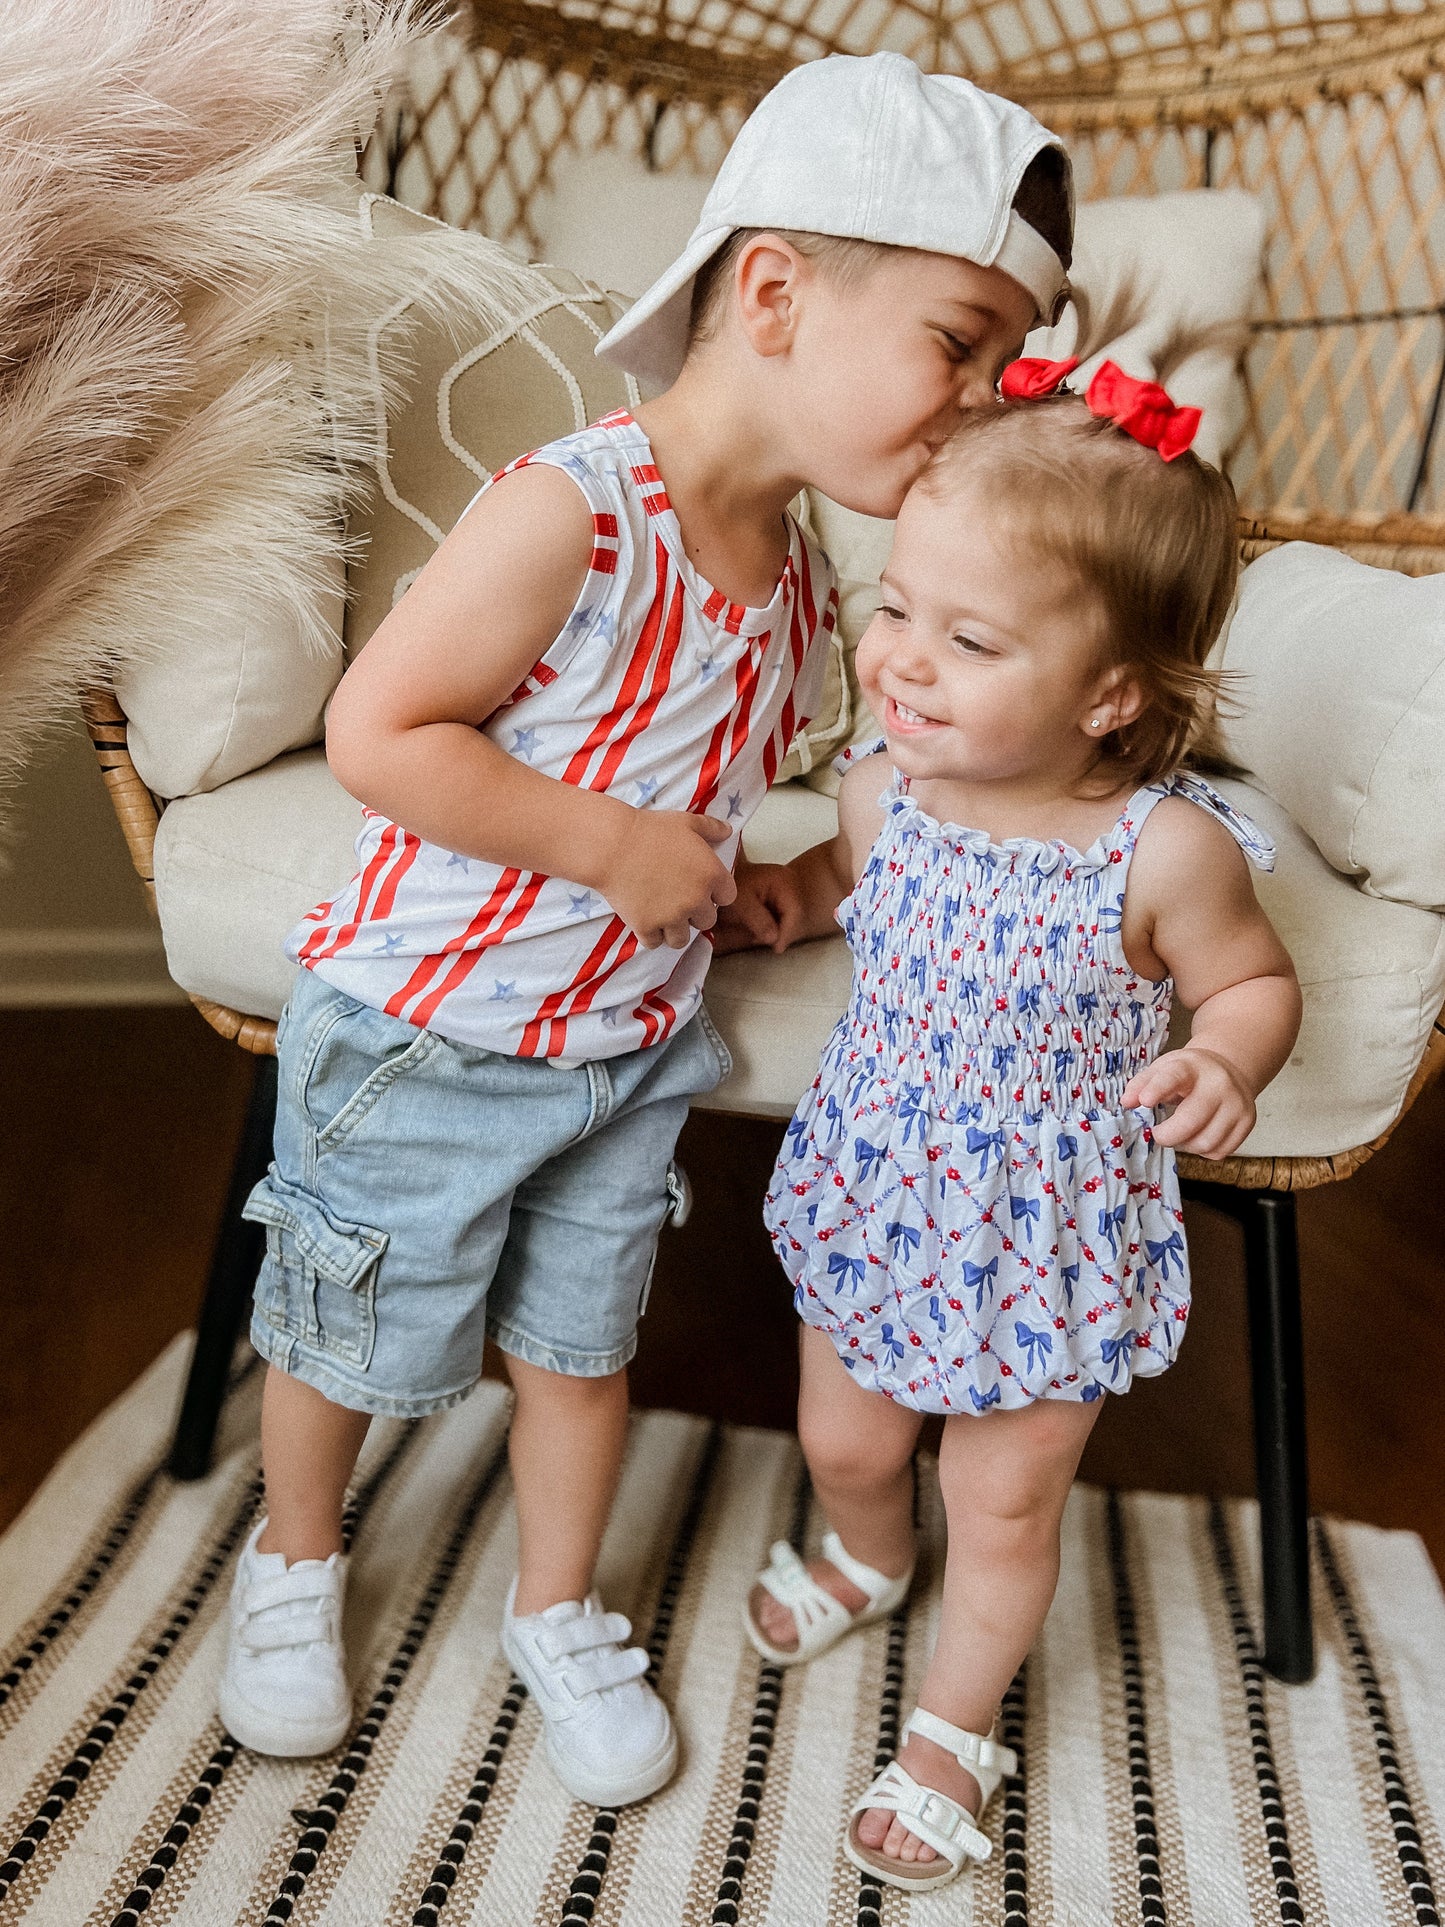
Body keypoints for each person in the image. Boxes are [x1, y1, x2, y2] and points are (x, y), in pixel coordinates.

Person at [218, 52, 1077, 1810]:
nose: (980, 399)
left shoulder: (803, 576)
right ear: (771, 292)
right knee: (338, 1332)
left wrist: (766, 890)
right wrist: (609, 848)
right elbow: (387, 734)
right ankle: (293, 1562)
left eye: (999, 363)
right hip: (424, 1028)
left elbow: (719, 803)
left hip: (621, 1048)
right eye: (957, 341)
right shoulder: (573, 507)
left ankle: (555, 1600)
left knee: (578, 1349)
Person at [724, 361, 1302, 1889]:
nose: (900, 660)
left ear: (1107, 695)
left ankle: (948, 1730)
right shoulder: (879, 792)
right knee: (842, 1438)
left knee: (1004, 1495)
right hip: (877, 1181)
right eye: (895, 604)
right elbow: (854, 890)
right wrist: (792, 896)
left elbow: (1244, 976)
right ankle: (865, 1546)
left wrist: (1228, 1056)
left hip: (1046, 1232)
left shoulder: (1158, 853)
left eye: (966, 639)